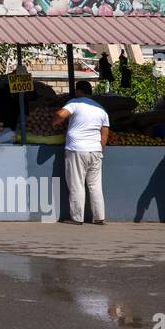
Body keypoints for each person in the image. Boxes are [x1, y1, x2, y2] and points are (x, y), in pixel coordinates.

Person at [53, 80, 110, 225]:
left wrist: (55, 121)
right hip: (95, 151)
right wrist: (100, 148)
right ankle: (99, 217)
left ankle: (77, 218)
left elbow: (61, 114)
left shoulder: (75, 103)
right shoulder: (101, 109)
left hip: (77, 149)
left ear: (78, 91)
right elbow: (105, 133)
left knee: (76, 184)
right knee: (95, 185)